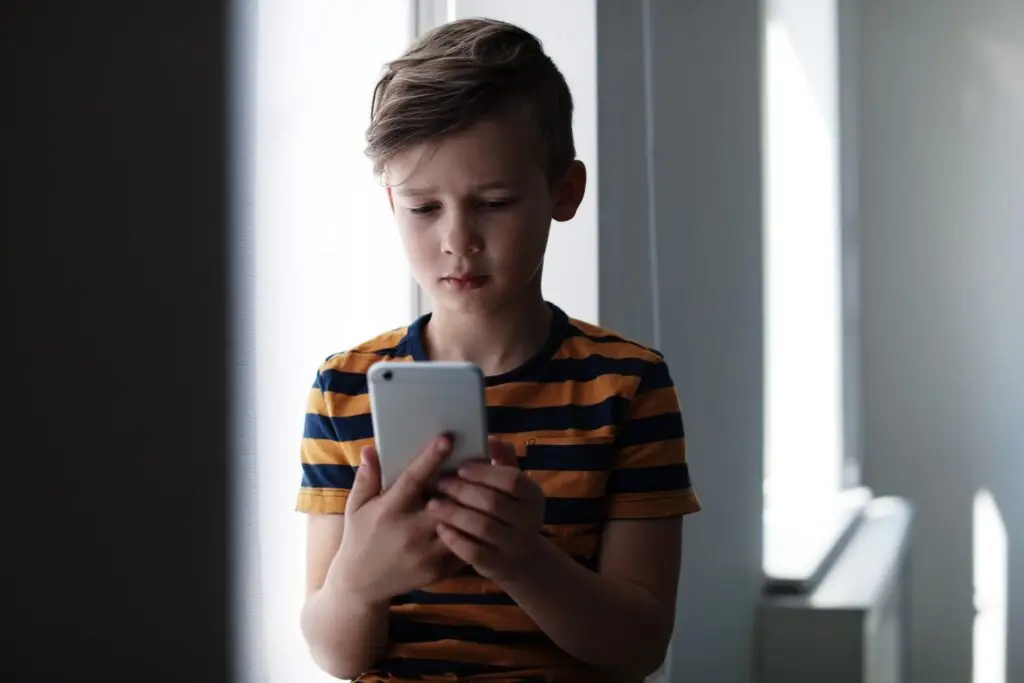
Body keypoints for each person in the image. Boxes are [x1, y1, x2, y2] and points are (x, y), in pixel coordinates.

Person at [296, 17, 701, 683]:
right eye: (425, 209)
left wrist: (523, 560)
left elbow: (640, 644)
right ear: (392, 201)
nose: (458, 239)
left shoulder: (628, 386)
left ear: (562, 192)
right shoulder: (344, 388)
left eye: (494, 202)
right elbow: (335, 653)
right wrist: (358, 583)